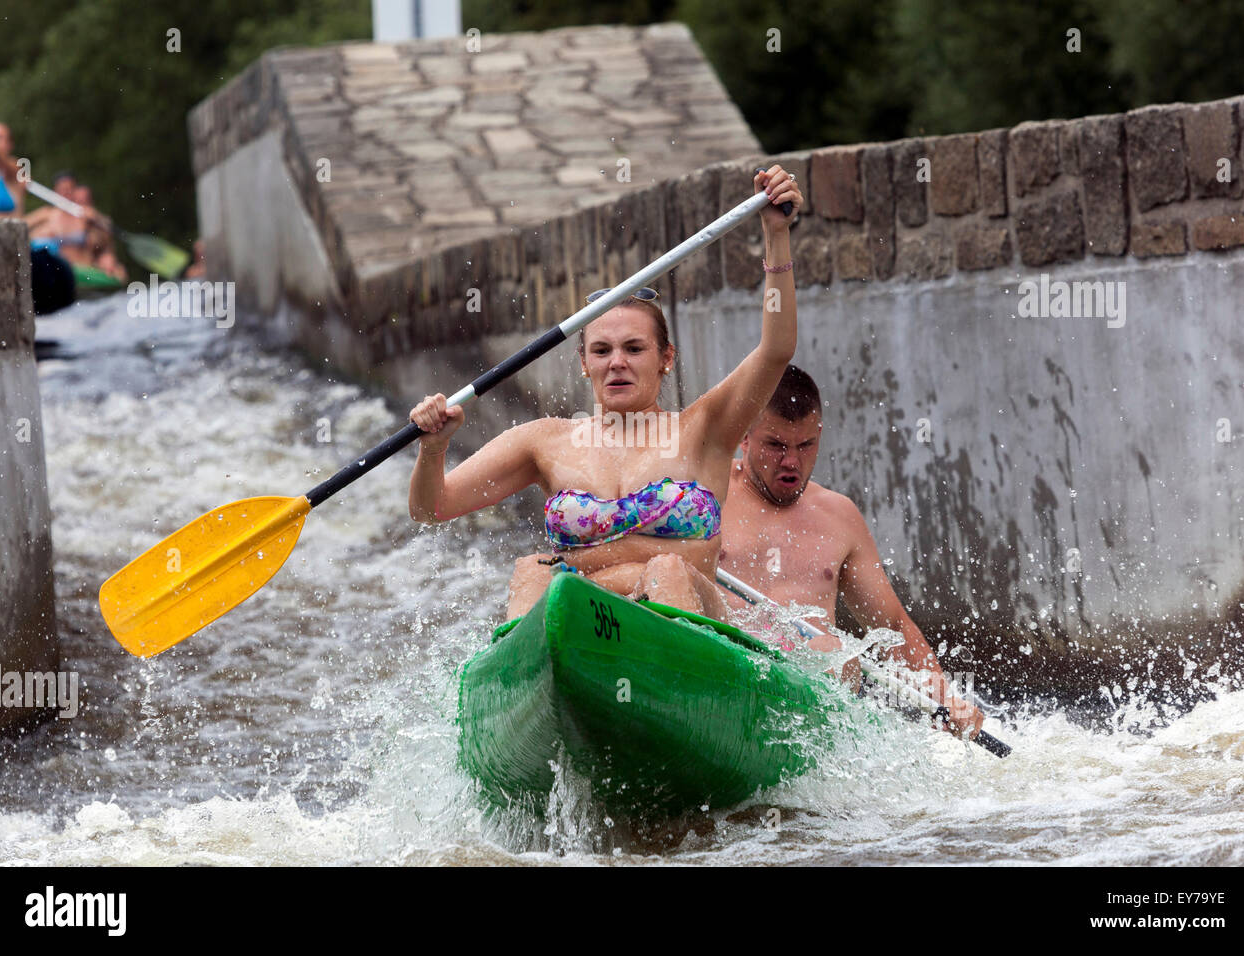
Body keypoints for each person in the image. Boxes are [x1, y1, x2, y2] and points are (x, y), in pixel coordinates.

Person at [408, 166, 804, 621]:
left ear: (665, 358)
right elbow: (431, 508)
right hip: (586, 627)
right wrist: (434, 449)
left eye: (634, 348)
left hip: (681, 620)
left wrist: (777, 236)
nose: (617, 361)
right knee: (533, 571)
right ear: (583, 362)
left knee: (666, 570)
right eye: (602, 350)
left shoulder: (706, 428)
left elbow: (776, 349)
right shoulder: (544, 441)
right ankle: (528, 685)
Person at [719, 365, 985, 739]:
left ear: (820, 436)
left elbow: (891, 625)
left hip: (805, 699)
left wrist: (946, 699)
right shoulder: (707, 493)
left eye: (805, 445)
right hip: (723, 673)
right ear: (745, 436)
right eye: (776, 445)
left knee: (835, 651)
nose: (791, 461)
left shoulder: (839, 516)